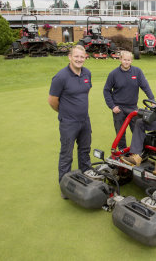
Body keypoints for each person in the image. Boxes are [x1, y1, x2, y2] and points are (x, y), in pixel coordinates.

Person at [48, 45, 92, 198]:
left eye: (82, 57)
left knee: (85, 151)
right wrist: (66, 112)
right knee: (66, 155)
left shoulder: (87, 73)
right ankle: (65, 187)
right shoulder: (61, 77)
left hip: (85, 120)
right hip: (68, 122)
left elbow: (85, 92)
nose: (79, 59)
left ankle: (86, 178)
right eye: (76, 56)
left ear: (85, 57)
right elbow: (53, 101)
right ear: (70, 57)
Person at [103, 50, 155, 150]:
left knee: (138, 131)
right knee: (120, 134)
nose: (126, 62)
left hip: (133, 108)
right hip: (119, 109)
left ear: (131, 60)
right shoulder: (113, 74)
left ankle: (141, 152)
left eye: (129, 60)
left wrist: (151, 99)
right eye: (124, 60)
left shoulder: (137, 72)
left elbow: (145, 86)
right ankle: (122, 153)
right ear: (120, 59)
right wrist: (112, 106)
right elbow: (106, 91)